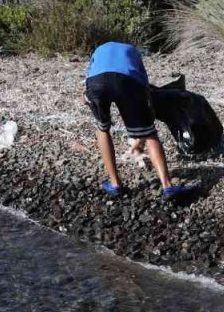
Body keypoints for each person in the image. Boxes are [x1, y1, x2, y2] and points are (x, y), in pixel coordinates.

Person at [83, 41, 198, 200]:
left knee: (102, 128)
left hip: (97, 82)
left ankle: (115, 184)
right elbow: (143, 83)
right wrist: (145, 116)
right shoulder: (132, 50)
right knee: (149, 133)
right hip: (128, 81)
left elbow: (88, 76)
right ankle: (167, 187)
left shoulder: (99, 49)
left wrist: (86, 95)